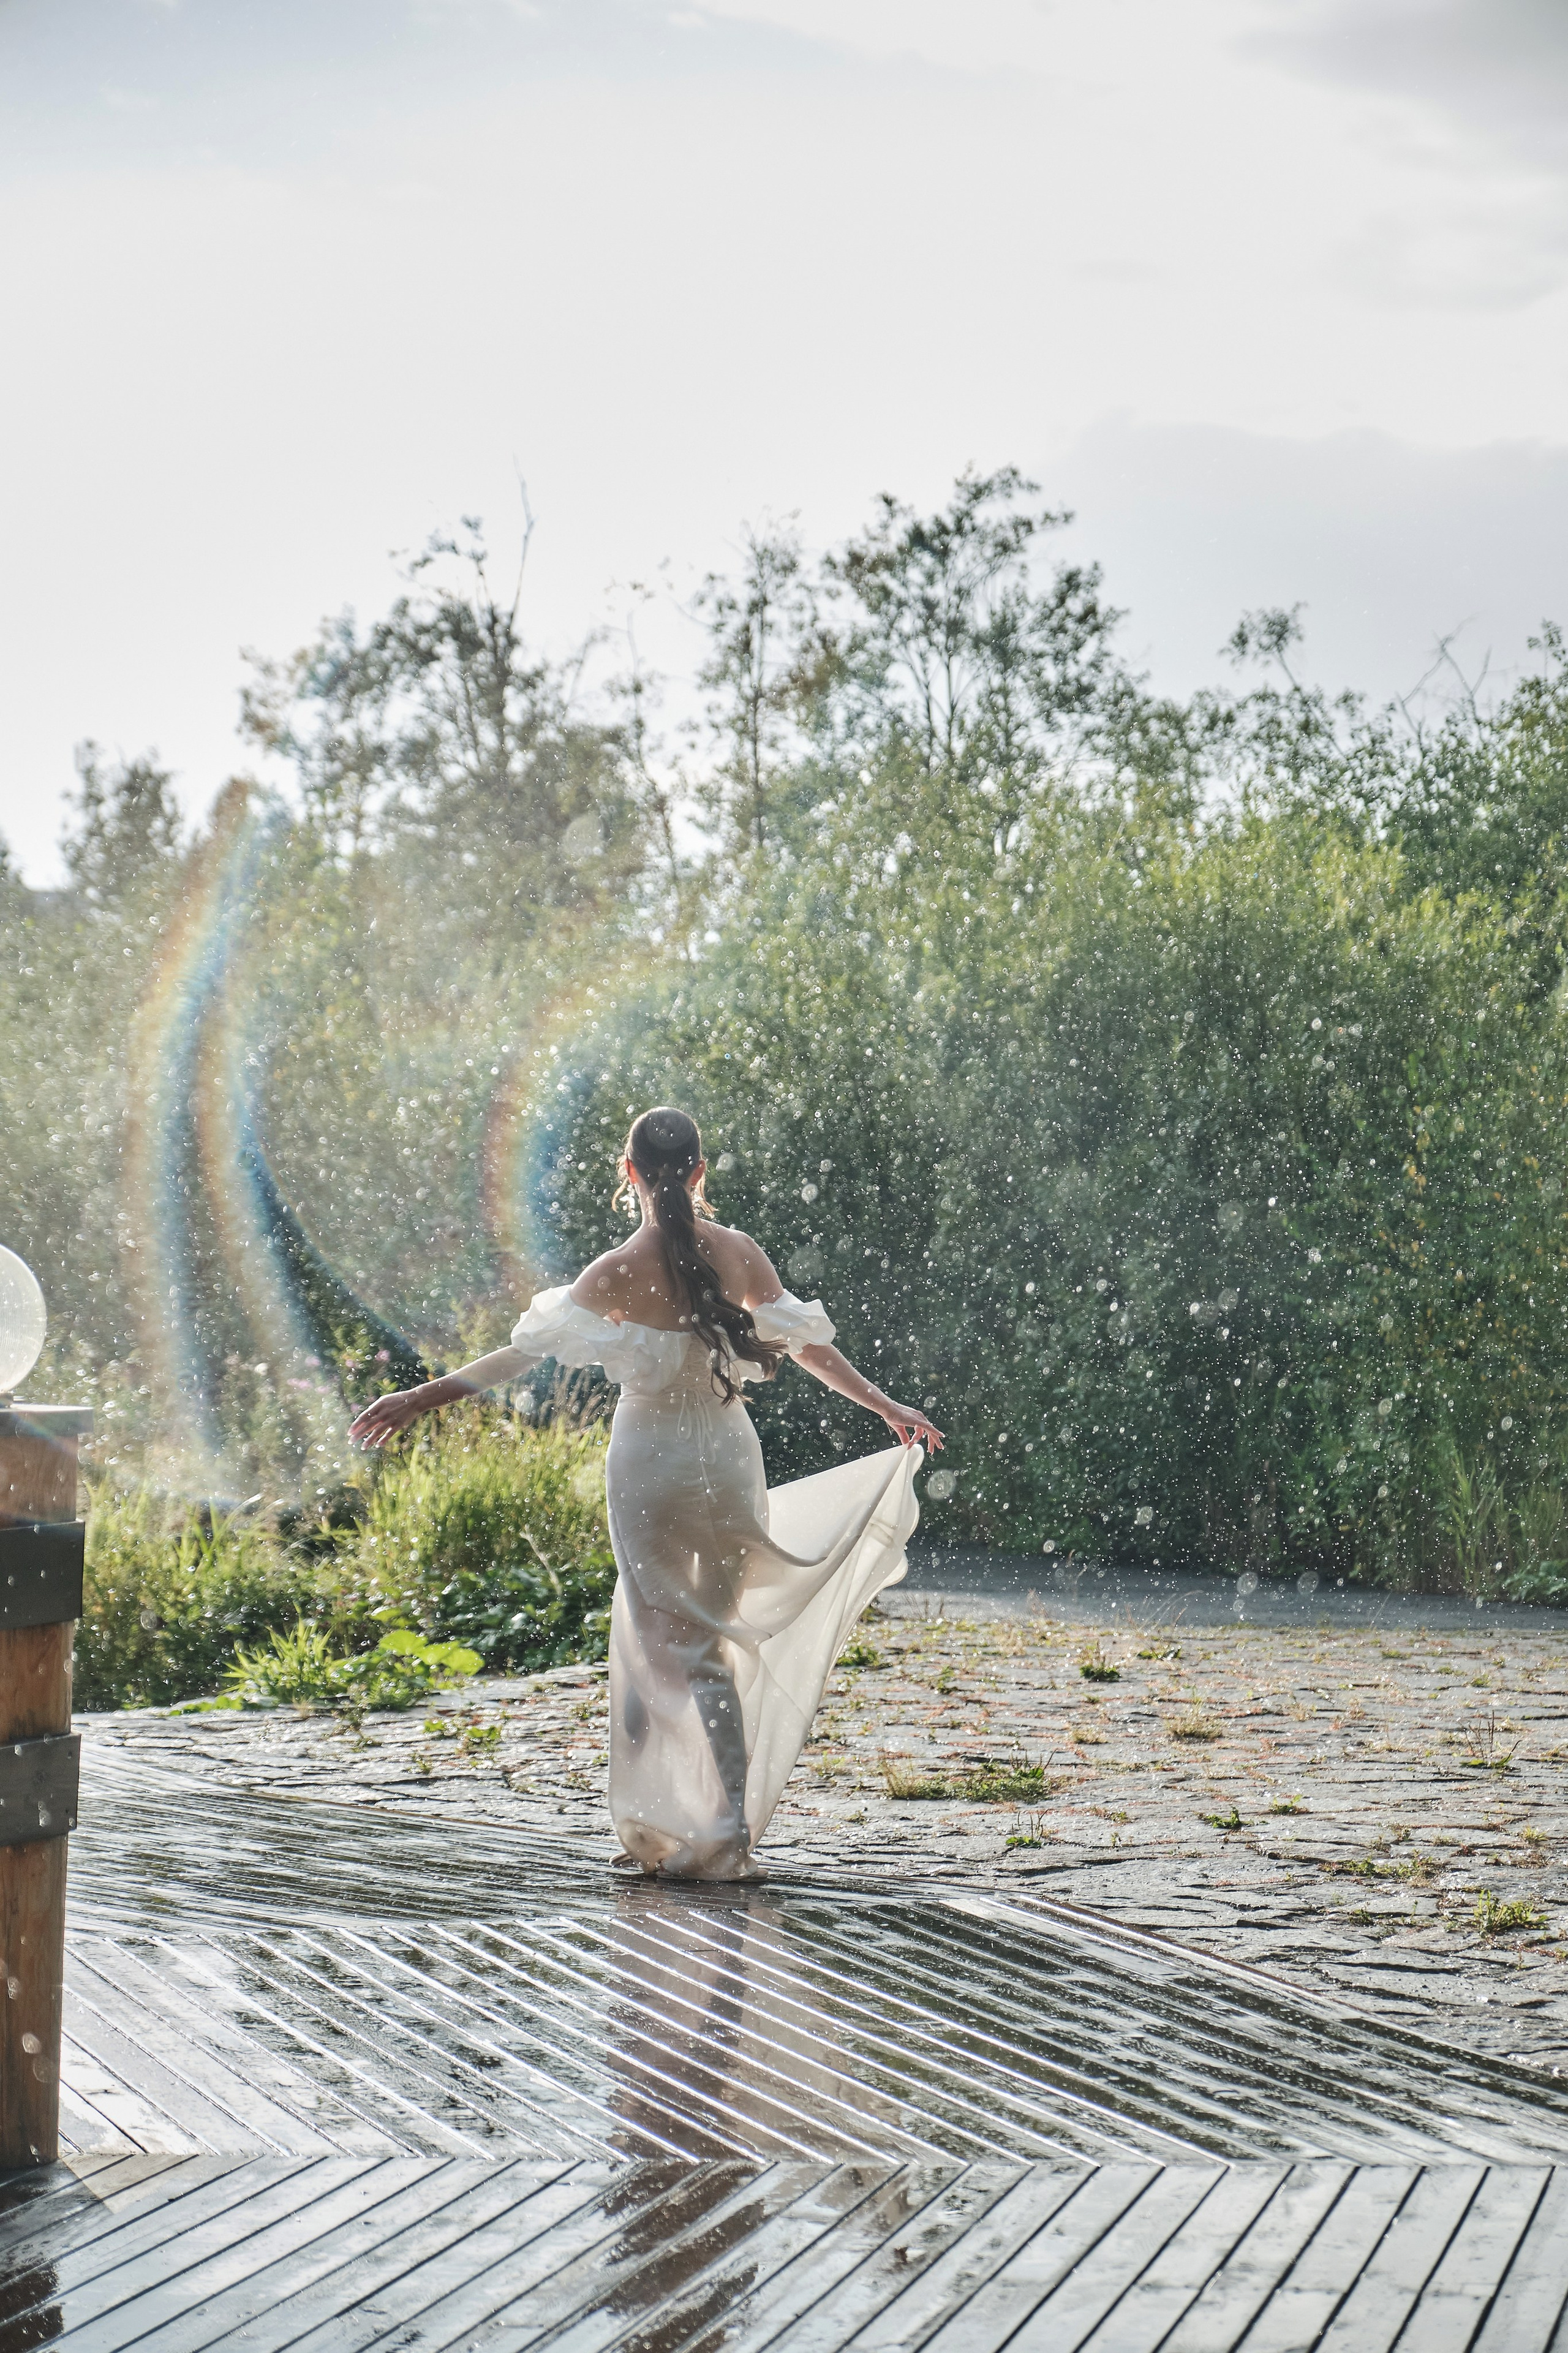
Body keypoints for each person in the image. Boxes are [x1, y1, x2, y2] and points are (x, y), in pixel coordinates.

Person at [349, 1105, 944, 1880]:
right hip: (727, 1454)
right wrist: (886, 1405)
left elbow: (519, 1356)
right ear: (700, 1172)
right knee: (714, 1641)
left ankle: (659, 1827)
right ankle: (725, 1835)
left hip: (648, 1463)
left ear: (627, 1173)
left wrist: (420, 1397)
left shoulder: (612, 1271)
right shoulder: (738, 1252)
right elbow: (808, 1348)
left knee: (657, 1641)